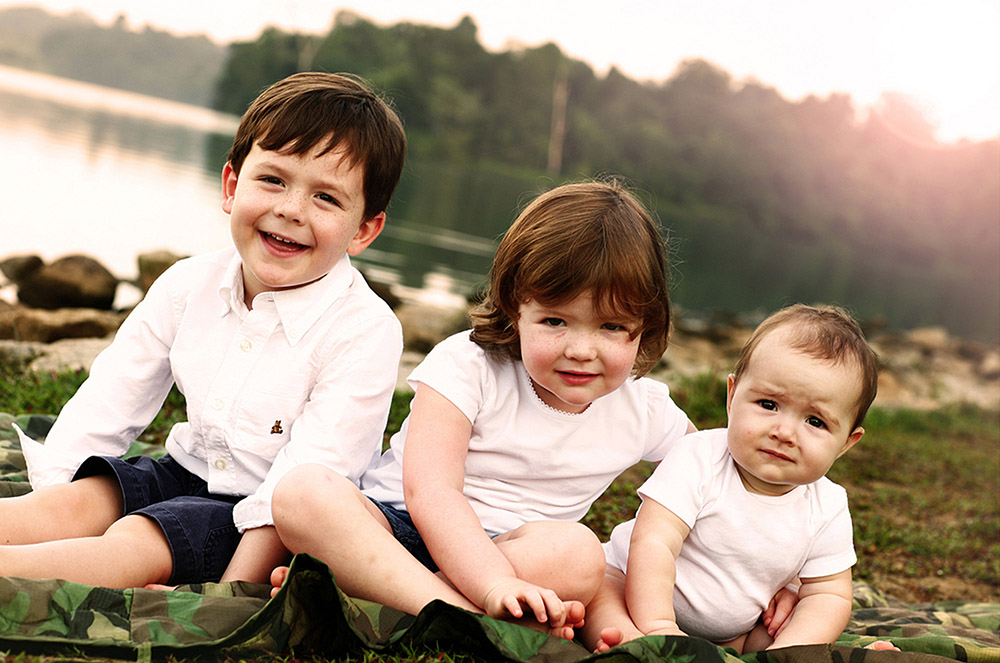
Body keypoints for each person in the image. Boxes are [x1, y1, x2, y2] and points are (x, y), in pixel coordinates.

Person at [2, 71, 407, 589]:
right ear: (232, 186)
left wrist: (228, 594)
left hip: (265, 521)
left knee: (138, 542)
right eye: (273, 180)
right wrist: (54, 488)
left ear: (365, 229)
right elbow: (109, 402)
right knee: (77, 500)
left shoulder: (365, 330)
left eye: (326, 198)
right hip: (183, 469)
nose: (290, 209)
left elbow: (309, 477)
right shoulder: (187, 284)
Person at [268, 179, 697, 637]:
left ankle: (381, 602)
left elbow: (717, 473)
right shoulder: (469, 365)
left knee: (580, 553)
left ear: (644, 325)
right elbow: (431, 492)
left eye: (612, 327)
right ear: (515, 308)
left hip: (516, 556)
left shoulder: (645, 409)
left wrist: (784, 578)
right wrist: (491, 585)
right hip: (396, 532)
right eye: (555, 321)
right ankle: (457, 614)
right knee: (303, 493)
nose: (580, 350)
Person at [585, 304, 880, 653]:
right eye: (769, 404)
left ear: (847, 442)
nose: (784, 432)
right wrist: (659, 626)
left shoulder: (827, 505)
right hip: (631, 590)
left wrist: (790, 650)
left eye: (815, 422)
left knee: (786, 630)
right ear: (732, 396)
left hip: (732, 631)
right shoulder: (699, 457)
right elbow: (653, 544)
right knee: (602, 595)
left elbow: (827, 593)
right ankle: (636, 644)